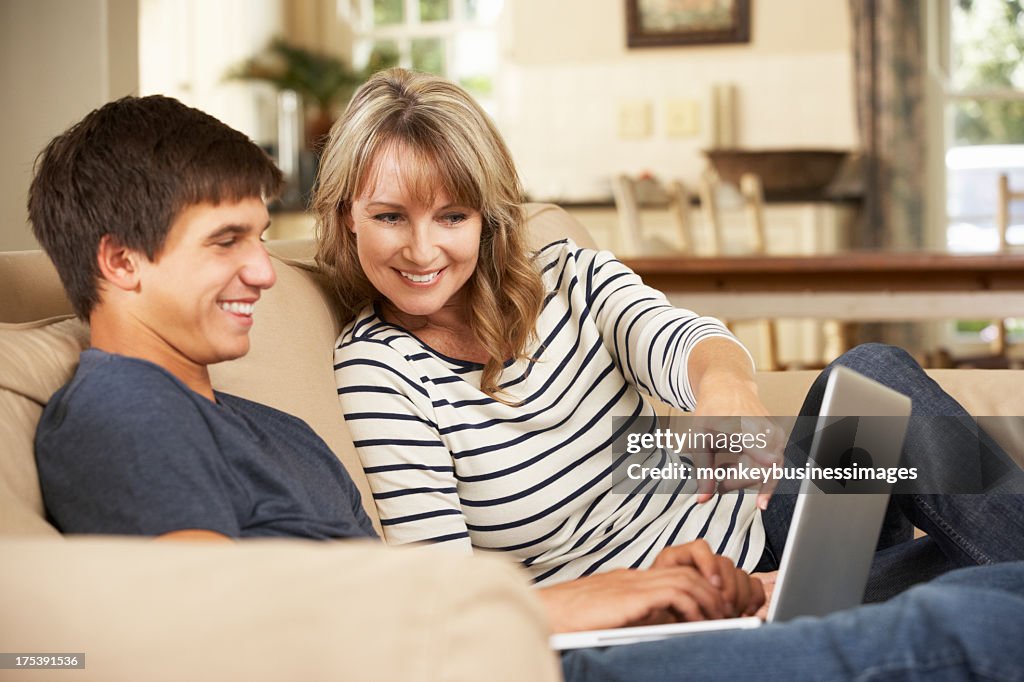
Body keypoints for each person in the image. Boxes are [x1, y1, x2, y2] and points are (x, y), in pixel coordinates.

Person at [27, 94, 1024, 681]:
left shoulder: (239, 412)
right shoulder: (127, 409)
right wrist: (620, 596)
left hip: (664, 589)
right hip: (540, 657)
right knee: (978, 614)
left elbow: (394, 588)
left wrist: (719, 410)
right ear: (121, 262)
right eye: (228, 243)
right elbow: (227, 618)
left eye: (257, 237)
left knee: (969, 555)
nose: (260, 271)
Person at [317, 68, 1024, 603]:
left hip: (768, 514)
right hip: (694, 598)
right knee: (970, 571)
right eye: (389, 217)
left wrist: (724, 387)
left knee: (874, 375)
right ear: (346, 214)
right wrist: (647, 597)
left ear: (487, 217)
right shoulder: (381, 371)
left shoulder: (566, 275)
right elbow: (447, 598)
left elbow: (676, 336)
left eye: (451, 217)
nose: (421, 250)